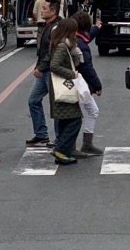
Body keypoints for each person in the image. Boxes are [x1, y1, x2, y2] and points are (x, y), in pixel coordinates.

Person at [26, 0, 61, 146]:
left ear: (53, 12)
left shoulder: (56, 28)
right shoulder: (48, 26)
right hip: (44, 69)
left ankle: (59, 138)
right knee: (33, 101)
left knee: (56, 104)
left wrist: (41, 67)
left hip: (51, 71)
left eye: (45, 8)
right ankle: (41, 133)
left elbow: (52, 51)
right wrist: (38, 65)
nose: (41, 11)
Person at [48, 18, 83, 165]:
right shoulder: (63, 46)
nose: (76, 34)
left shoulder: (58, 44)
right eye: (74, 31)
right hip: (64, 88)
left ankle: (62, 153)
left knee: (65, 120)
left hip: (58, 88)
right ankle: (61, 150)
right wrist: (71, 74)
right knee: (75, 120)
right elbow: (54, 65)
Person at [73, 10, 103, 156]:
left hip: (73, 82)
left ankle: (83, 144)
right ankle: (82, 144)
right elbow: (87, 67)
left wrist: (96, 28)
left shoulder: (75, 38)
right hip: (79, 83)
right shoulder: (81, 44)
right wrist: (97, 85)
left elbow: (87, 37)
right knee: (88, 112)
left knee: (85, 112)